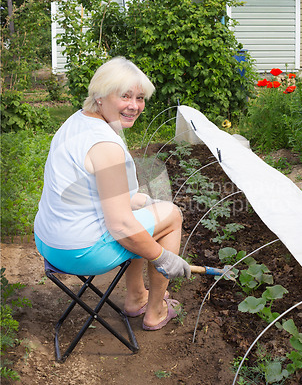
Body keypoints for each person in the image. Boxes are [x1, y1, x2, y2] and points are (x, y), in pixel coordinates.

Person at [34, 57, 191, 331]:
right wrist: (162, 257)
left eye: (140, 97)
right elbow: (120, 226)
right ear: (100, 96)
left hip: (49, 241)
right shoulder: (106, 144)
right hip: (78, 252)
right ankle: (154, 310)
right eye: (125, 96)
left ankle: (137, 296)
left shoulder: (77, 121)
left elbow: (106, 196)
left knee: (143, 214)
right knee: (171, 216)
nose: (135, 106)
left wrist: (146, 203)